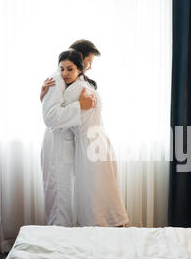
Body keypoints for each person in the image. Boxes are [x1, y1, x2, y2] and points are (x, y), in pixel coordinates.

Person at [53, 49, 128, 227]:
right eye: (62, 69)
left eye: (69, 69)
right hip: (99, 141)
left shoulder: (77, 89)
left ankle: (97, 230)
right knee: (104, 191)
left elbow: (56, 119)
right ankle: (112, 226)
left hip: (90, 146)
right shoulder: (86, 86)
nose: (64, 74)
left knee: (93, 193)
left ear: (78, 68)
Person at [40, 40, 100, 227]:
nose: (90, 66)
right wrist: (79, 106)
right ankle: (58, 243)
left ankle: (63, 242)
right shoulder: (56, 79)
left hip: (66, 144)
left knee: (65, 196)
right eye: (88, 61)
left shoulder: (75, 80)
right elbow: (50, 117)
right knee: (60, 198)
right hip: (57, 145)